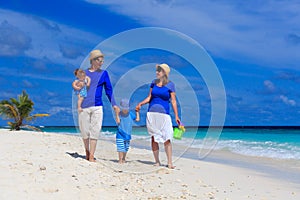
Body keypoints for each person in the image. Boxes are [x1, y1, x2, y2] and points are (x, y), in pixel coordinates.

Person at [135, 63, 180, 169]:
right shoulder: (153, 83)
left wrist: (177, 116)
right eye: (157, 70)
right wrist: (141, 103)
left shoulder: (170, 85)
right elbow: (149, 97)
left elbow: (173, 101)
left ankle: (169, 162)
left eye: (159, 71)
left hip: (164, 115)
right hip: (152, 114)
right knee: (154, 138)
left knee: (167, 137)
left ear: (164, 73)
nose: (157, 72)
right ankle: (157, 161)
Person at [78, 49, 119, 162]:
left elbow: (109, 90)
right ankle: (87, 152)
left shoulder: (104, 74)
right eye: (100, 60)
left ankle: (91, 155)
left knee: (95, 131)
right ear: (93, 60)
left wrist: (114, 104)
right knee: (85, 131)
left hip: (97, 106)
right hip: (85, 106)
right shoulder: (84, 73)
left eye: (102, 60)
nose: (102, 62)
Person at [115, 99, 140, 164]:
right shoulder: (119, 114)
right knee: (121, 148)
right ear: (121, 107)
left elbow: (137, 119)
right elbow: (118, 122)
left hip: (128, 135)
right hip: (120, 134)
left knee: (126, 148)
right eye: (124, 107)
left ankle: (123, 158)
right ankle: (120, 160)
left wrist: (137, 112)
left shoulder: (131, 114)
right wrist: (116, 114)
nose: (125, 109)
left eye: (126, 107)